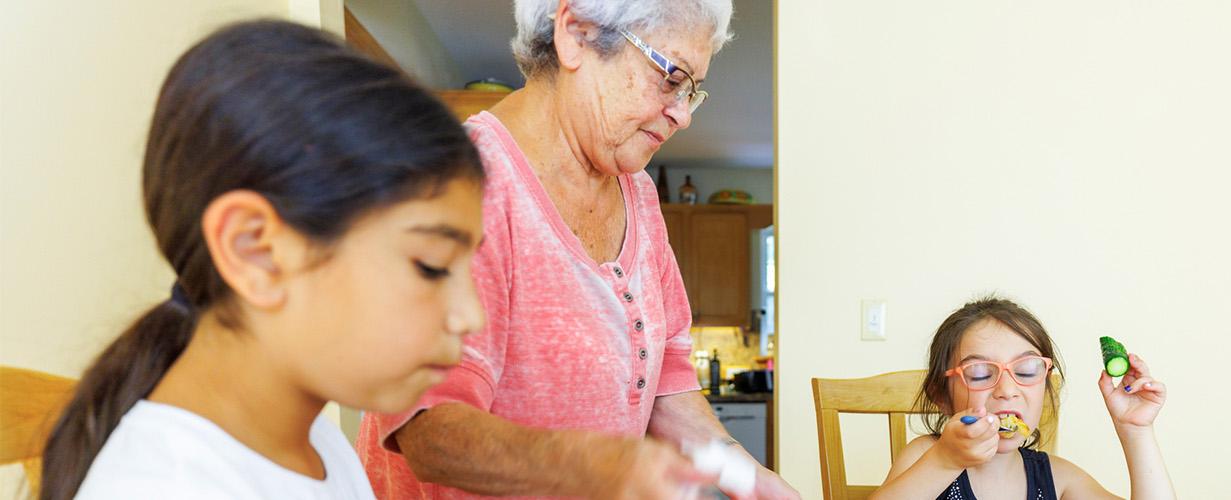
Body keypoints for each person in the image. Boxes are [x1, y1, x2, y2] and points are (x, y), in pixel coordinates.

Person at [356, 1, 798, 498]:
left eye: (692, 92)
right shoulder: (458, 184)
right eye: (671, 78)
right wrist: (605, 464)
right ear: (576, 35)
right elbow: (430, 430)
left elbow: (667, 385)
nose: (682, 115)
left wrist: (748, 478)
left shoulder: (641, 197)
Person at [39, 20, 486, 500]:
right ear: (255, 250)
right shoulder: (161, 486)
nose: (472, 315)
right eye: (432, 266)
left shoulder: (314, 442)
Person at [873, 296, 1176, 500]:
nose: (1007, 389)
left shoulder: (1057, 479)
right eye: (980, 373)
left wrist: (1136, 431)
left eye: (1028, 370)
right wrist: (945, 460)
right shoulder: (927, 456)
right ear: (941, 395)